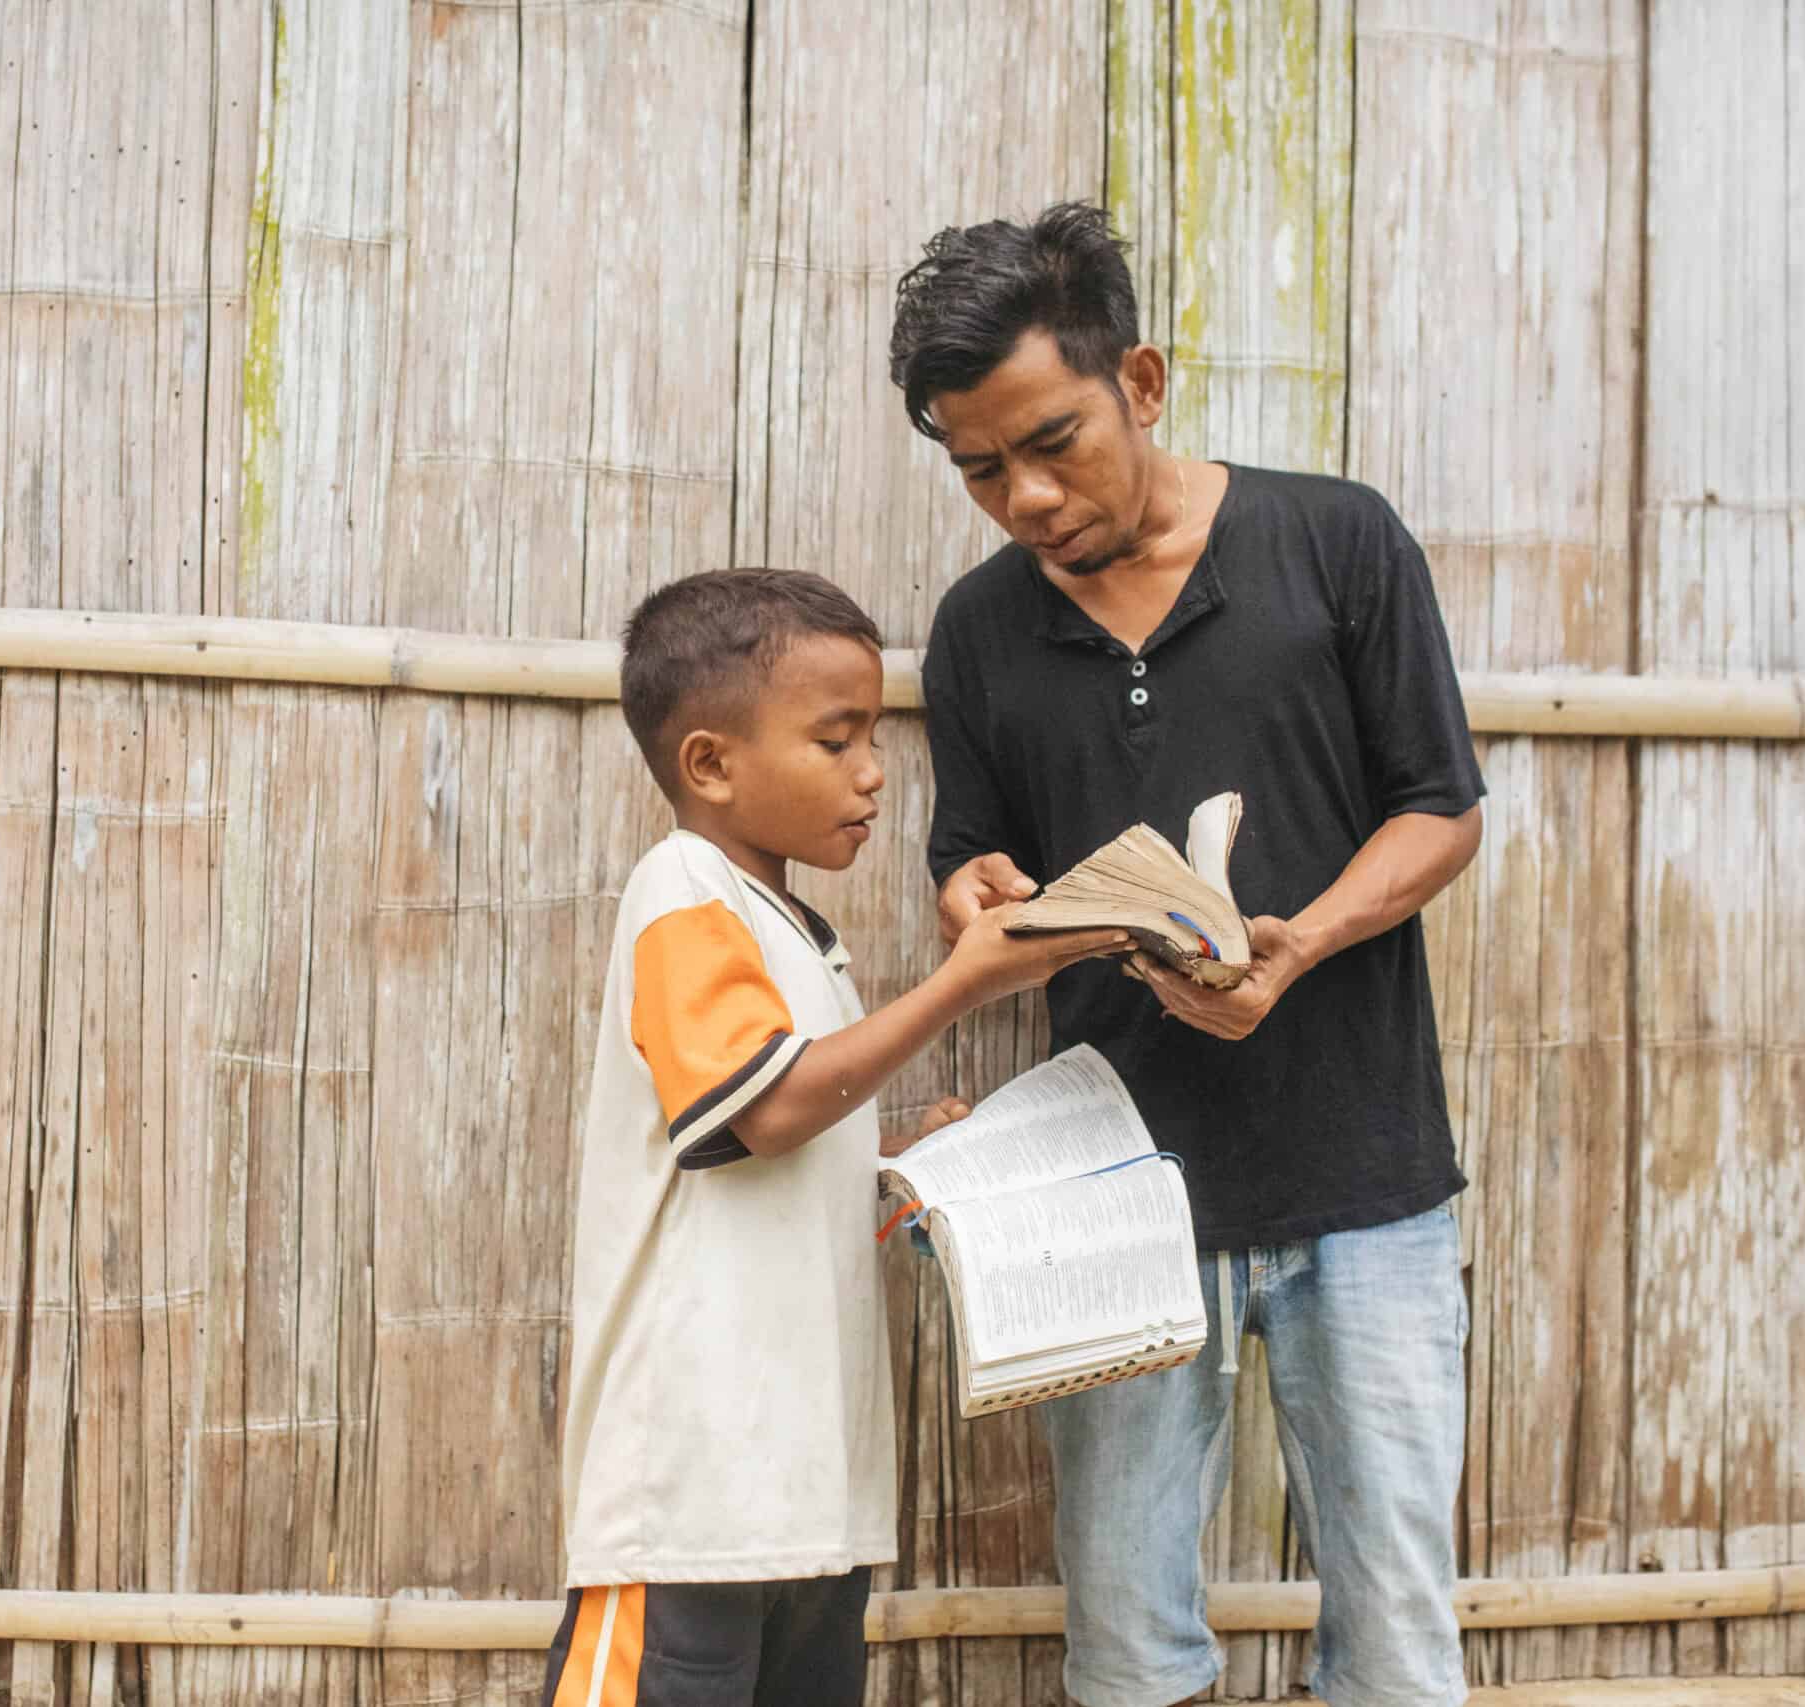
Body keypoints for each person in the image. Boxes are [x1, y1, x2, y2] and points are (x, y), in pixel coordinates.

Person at [887, 203, 1487, 1707]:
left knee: (1401, 1632)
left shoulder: (1336, 539)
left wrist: (1303, 941)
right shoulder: (976, 632)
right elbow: (968, 852)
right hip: (1111, 1195)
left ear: (1141, 383)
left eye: (1053, 441)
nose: (1023, 495)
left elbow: (1444, 810)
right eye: (977, 469)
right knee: (1128, 1636)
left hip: (1370, 1179)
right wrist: (980, 896)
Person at [546, 568, 1123, 1707]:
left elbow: (776, 1139)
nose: (871, 772)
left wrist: (895, 1159)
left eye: (873, 737)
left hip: (805, 1491)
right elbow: (761, 1111)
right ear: (709, 764)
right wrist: (962, 985)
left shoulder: (798, 938)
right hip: (688, 1499)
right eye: (834, 738)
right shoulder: (683, 892)